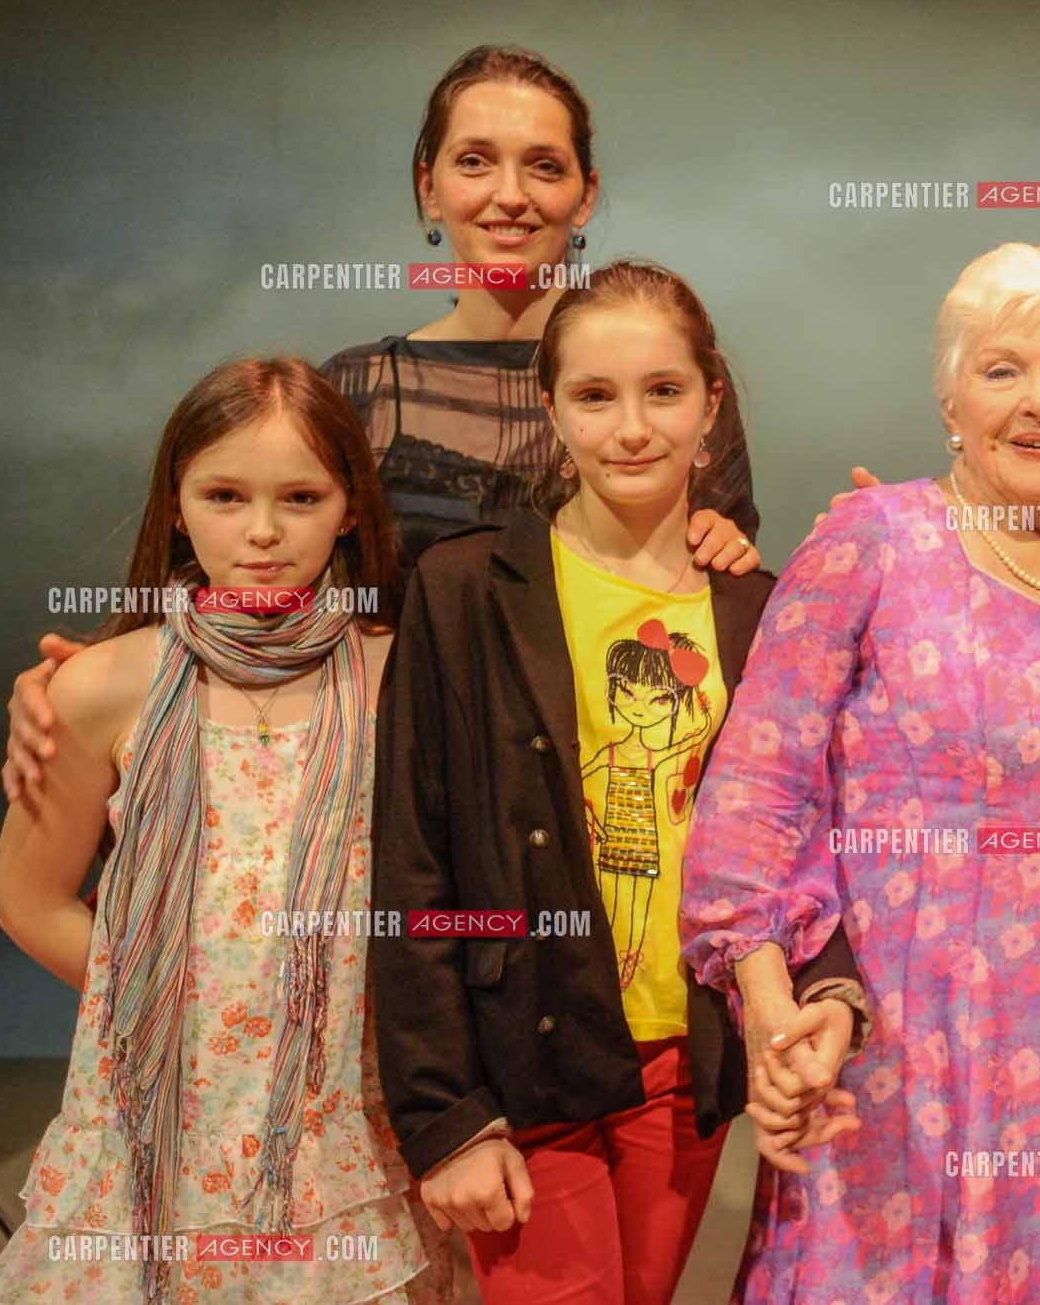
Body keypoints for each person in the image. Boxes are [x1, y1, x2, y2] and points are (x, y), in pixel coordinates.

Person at [1, 44, 761, 812]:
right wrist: (84, 682)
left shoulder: (673, 392)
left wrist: (740, 548)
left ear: (585, 194)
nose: (510, 194)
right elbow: (237, 572)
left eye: (544, 166)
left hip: (607, 789)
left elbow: (715, 618)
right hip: (395, 792)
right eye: (474, 162)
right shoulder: (358, 388)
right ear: (429, 188)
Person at [682, 242, 1040, 1302]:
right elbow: (757, 792)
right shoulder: (873, 540)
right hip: (906, 1046)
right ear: (950, 399)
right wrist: (772, 1014)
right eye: (1002, 370)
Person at [367, 260, 867, 1305]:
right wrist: (445, 1111)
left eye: (664, 391)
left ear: (712, 401)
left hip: (684, 1057)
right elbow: (413, 860)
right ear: (549, 405)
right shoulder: (463, 591)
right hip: (526, 1054)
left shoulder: (757, 608)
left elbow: (802, 831)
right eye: (594, 395)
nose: (631, 427)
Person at [0, 358, 454, 1303]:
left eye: (302, 497)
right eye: (226, 495)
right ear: (176, 504)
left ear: (351, 509)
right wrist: (187, 1001)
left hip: (341, 1126)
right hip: (153, 1118)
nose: (265, 531)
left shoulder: (402, 677)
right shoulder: (104, 686)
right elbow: (26, 898)